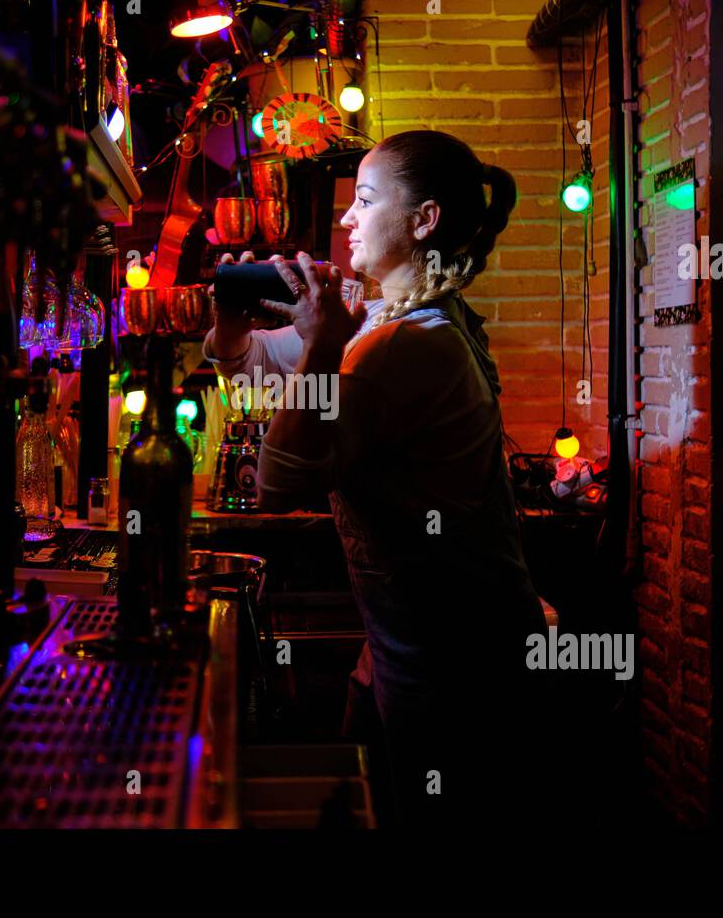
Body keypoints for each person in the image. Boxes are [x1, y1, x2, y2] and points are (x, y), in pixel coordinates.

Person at [203, 130, 552, 829]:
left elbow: (280, 477)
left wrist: (325, 343)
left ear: (424, 221)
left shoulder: (409, 343)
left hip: (460, 673)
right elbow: (257, 370)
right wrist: (234, 325)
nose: (345, 219)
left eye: (364, 200)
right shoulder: (391, 322)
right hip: (426, 648)